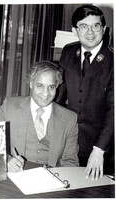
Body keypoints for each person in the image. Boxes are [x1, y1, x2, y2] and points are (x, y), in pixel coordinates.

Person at [57, 5, 114, 180]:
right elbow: (59, 95)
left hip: (103, 147)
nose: (90, 32)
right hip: (68, 142)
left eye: (95, 26)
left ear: (103, 29)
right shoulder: (68, 51)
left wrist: (99, 150)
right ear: (75, 31)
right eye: (83, 26)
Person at [0, 61, 79, 172]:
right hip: (16, 178)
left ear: (57, 86)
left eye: (51, 87)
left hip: (52, 181)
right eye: (40, 86)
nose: (46, 93)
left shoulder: (69, 118)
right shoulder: (10, 107)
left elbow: (70, 163)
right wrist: (6, 161)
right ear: (31, 84)